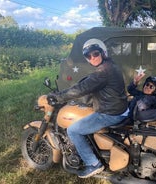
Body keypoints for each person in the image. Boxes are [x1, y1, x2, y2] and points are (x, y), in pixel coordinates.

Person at [48, 38, 129, 178]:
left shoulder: (103, 71)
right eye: (88, 56)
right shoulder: (111, 66)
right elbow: (90, 82)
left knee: (72, 130)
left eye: (95, 54)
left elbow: (82, 88)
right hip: (119, 108)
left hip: (110, 113)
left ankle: (93, 164)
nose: (92, 58)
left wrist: (59, 97)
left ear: (103, 53)